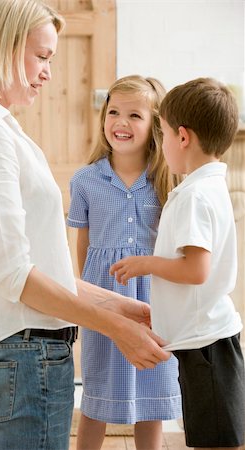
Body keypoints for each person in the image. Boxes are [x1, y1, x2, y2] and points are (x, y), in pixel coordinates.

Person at [0, 2, 171, 449]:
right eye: (42, 56)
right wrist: (114, 328)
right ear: (4, 48)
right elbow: (16, 278)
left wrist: (126, 309)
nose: (49, 71)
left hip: (27, 352)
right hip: (26, 355)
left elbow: (43, 271)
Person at [110, 77, 245, 450]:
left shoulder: (194, 196)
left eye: (164, 133)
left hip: (207, 346)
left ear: (182, 137)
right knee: (212, 435)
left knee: (215, 439)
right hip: (205, 340)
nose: (162, 142)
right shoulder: (207, 185)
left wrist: (146, 263)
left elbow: (195, 270)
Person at [67, 75, 182, 450]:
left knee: (150, 392)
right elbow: (83, 244)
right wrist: (87, 297)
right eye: (114, 111)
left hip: (153, 300)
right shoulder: (86, 180)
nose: (121, 121)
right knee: (97, 393)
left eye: (135, 115)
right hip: (103, 298)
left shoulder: (167, 180)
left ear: (155, 126)